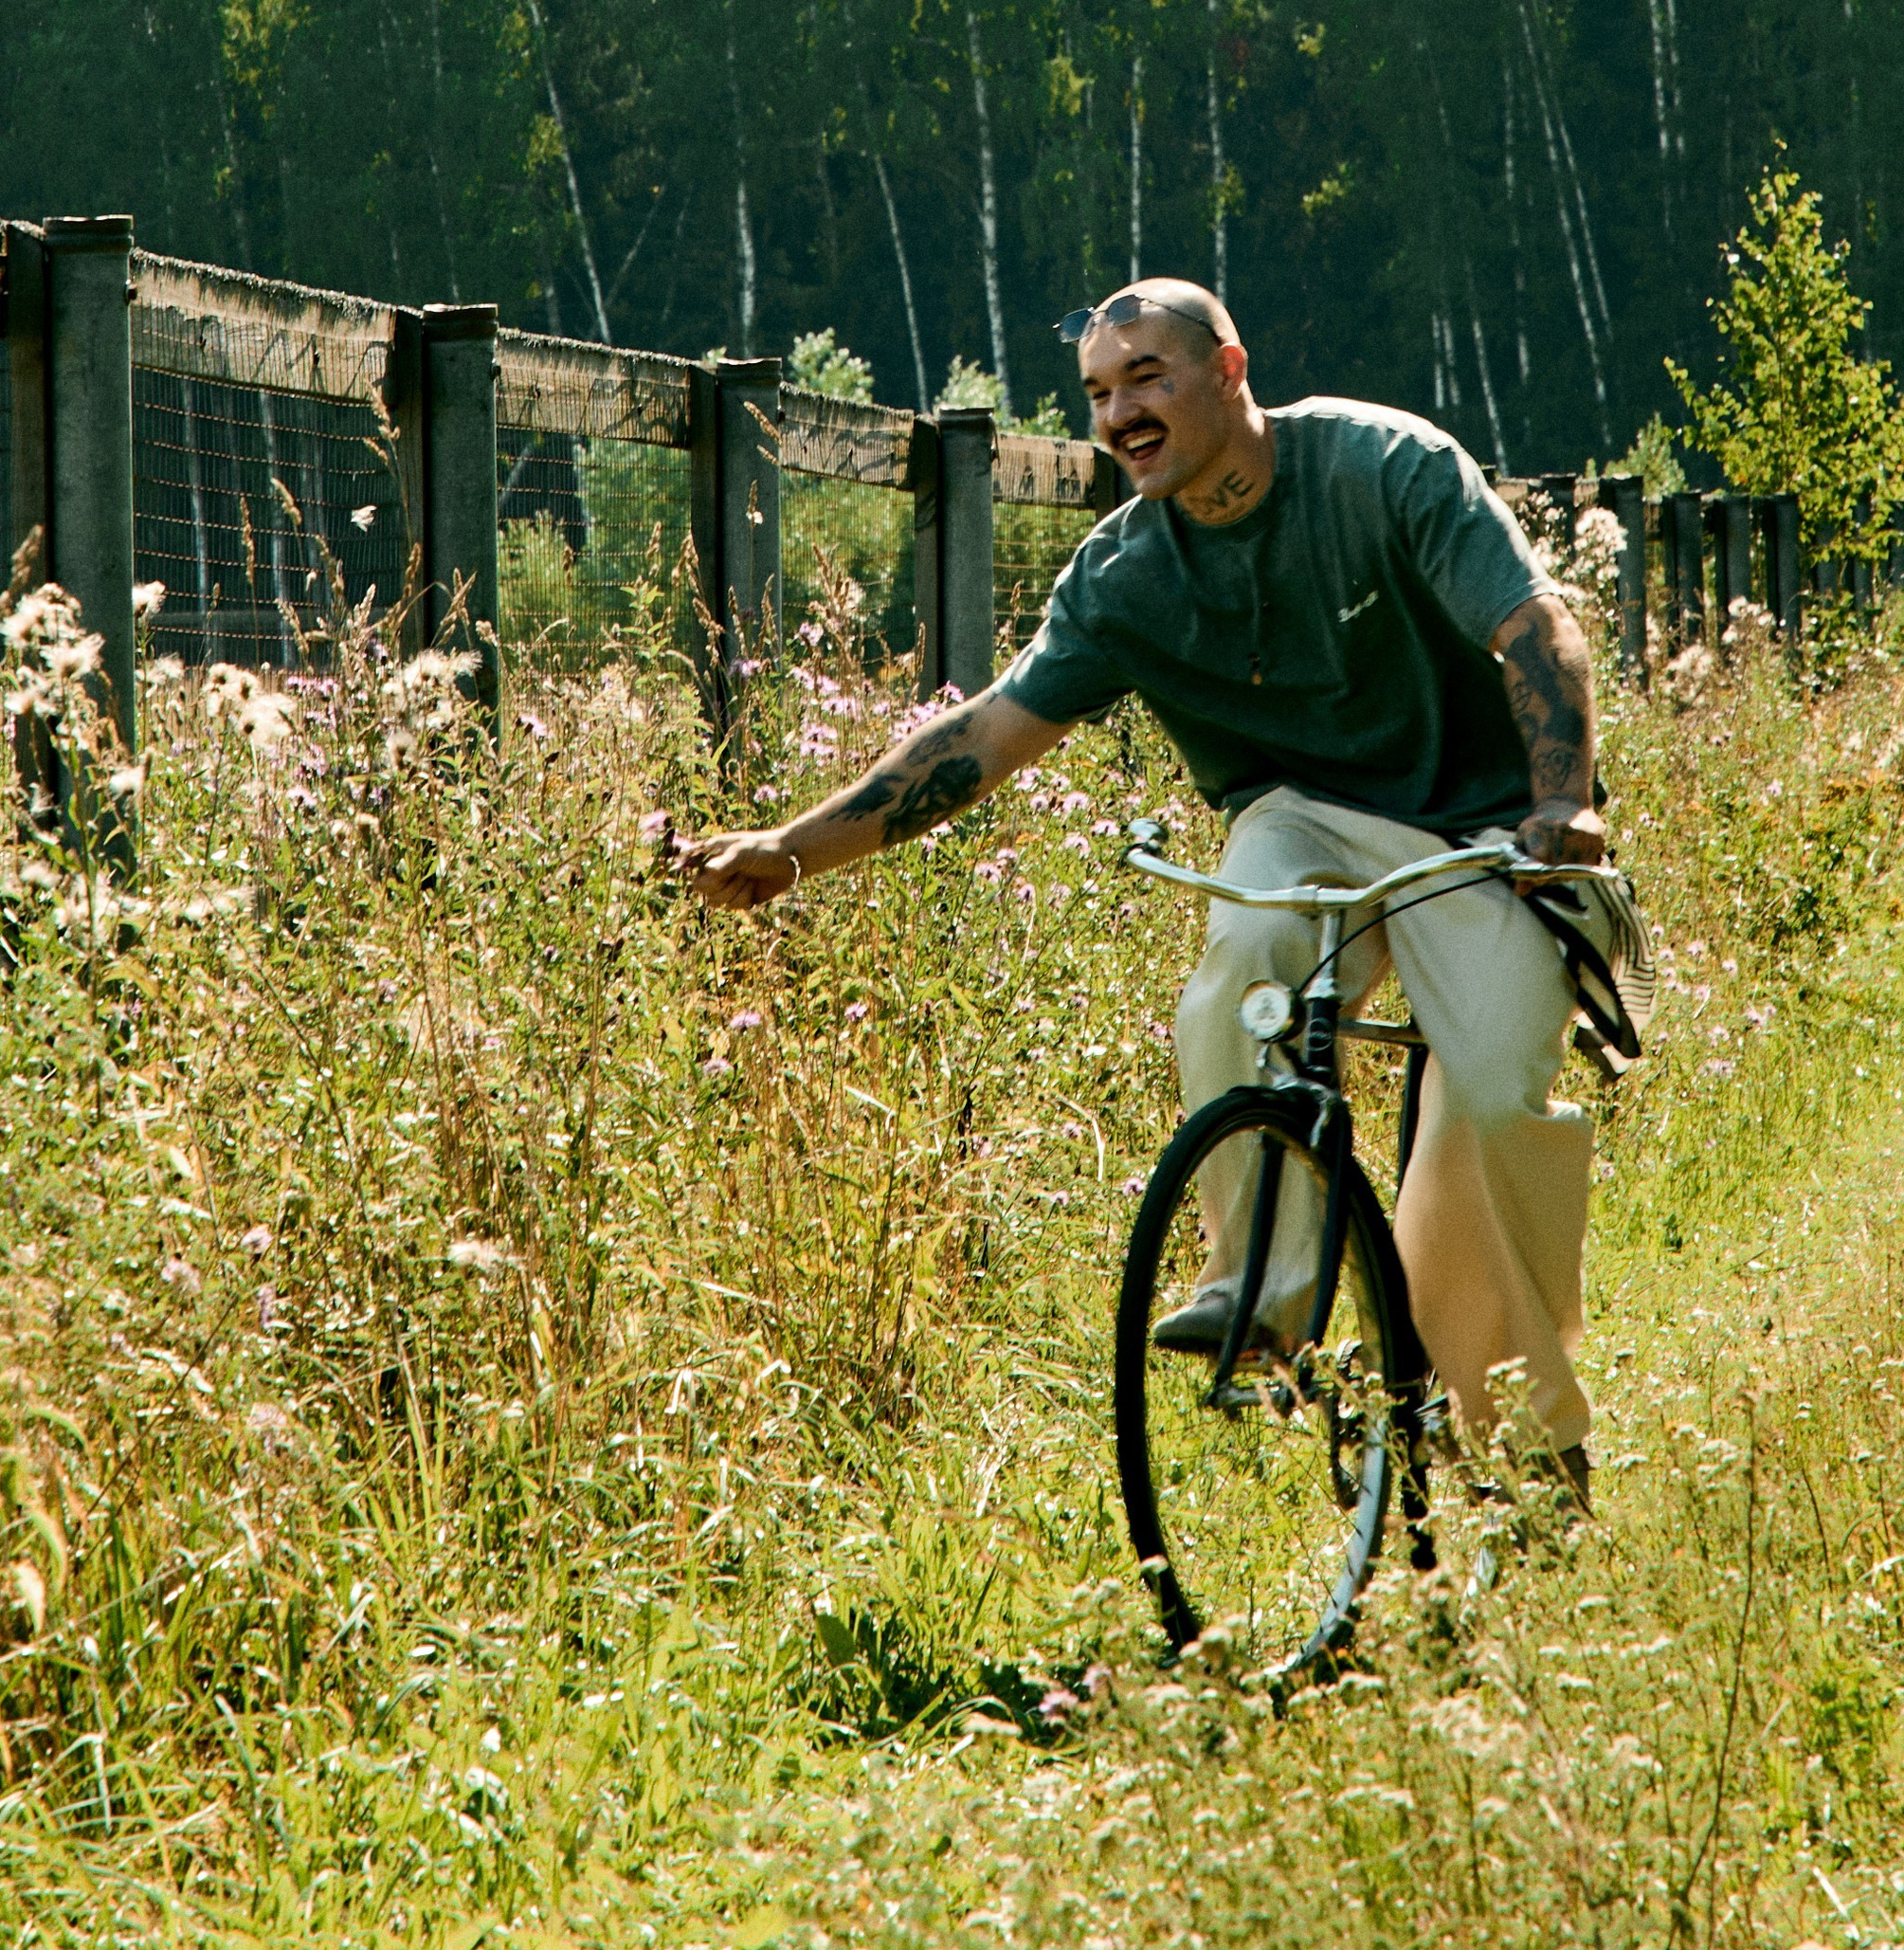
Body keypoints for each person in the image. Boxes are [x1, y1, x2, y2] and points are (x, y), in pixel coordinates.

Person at [685, 276, 1617, 1501]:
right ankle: (1260, 1300)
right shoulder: (1122, 575)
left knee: (1491, 1105)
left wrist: (1562, 800)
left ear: (1230, 373)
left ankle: (1506, 1437)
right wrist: (791, 849)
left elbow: (1534, 628)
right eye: (1099, 394)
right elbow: (982, 739)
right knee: (1236, 970)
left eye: (1148, 380)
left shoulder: (1385, 467)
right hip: (1299, 818)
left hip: (1482, 829)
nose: (1119, 413)